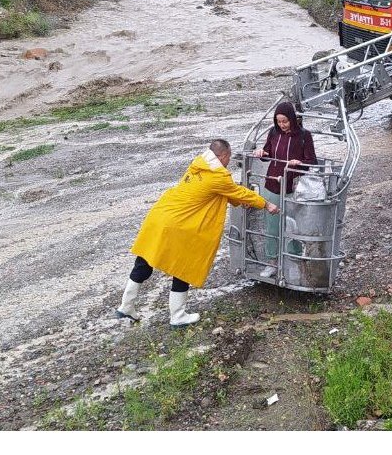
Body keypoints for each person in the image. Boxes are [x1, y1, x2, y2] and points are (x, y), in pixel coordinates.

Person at [114, 139, 278, 327]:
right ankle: (178, 316)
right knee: (184, 266)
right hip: (179, 225)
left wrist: (237, 200)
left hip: (160, 216)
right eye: (229, 157)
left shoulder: (199, 165)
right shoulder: (218, 175)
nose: (228, 161)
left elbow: (217, 193)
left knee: (144, 262)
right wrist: (265, 203)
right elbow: (237, 192)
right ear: (223, 155)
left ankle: (126, 306)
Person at [253, 101, 318, 276]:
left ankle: (295, 259)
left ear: (292, 119)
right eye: (279, 121)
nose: (282, 125)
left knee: (294, 225)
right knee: (272, 225)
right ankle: (272, 262)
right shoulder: (273, 133)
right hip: (272, 184)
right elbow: (268, 155)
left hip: (293, 187)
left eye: (285, 121)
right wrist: (262, 153)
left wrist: (299, 164)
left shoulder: (304, 136)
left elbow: (312, 162)